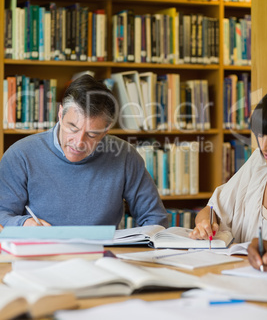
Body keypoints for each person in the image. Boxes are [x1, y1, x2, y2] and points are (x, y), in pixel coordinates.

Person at [0, 75, 168, 228]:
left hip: (102, 256)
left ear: (106, 130)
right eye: (72, 128)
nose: (79, 143)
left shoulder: (125, 156)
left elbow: (155, 219)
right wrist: (23, 223)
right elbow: (2, 214)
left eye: (92, 134)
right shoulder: (20, 155)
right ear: (60, 114)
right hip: (40, 255)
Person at [189, 92, 267, 243]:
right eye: (260, 134)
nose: (264, 146)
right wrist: (205, 223)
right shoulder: (258, 162)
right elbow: (212, 210)